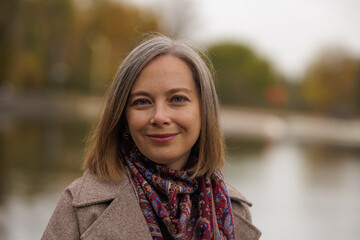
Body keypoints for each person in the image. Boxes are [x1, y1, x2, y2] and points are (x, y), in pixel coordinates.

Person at [41, 34, 261, 240]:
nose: (159, 117)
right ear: (123, 116)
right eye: (142, 101)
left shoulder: (233, 211)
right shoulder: (80, 205)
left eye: (177, 99)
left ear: (205, 111)